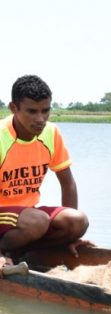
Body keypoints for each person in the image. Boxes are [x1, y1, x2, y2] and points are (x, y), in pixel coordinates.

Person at [0, 75, 91, 272]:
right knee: (37, 221)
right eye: (32, 111)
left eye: (45, 110)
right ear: (14, 108)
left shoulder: (50, 133)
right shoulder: (1, 137)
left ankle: (20, 252)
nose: (40, 119)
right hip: (9, 217)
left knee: (77, 221)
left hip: (26, 219)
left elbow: (68, 183)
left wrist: (72, 238)